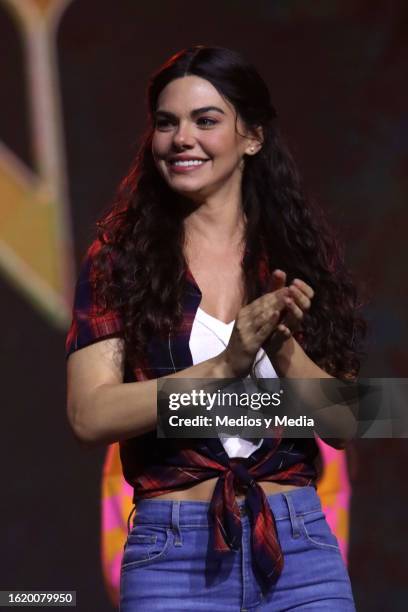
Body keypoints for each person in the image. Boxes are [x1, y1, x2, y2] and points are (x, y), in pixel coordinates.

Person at [66, 46, 365, 611]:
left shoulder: (298, 253)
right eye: (166, 123)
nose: (182, 139)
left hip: (299, 547)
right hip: (172, 554)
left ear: (251, 137)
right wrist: (223, 367)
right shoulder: (119, 259)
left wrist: (279, 344)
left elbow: (348, 422)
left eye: (206, 120)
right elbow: (90, 415)